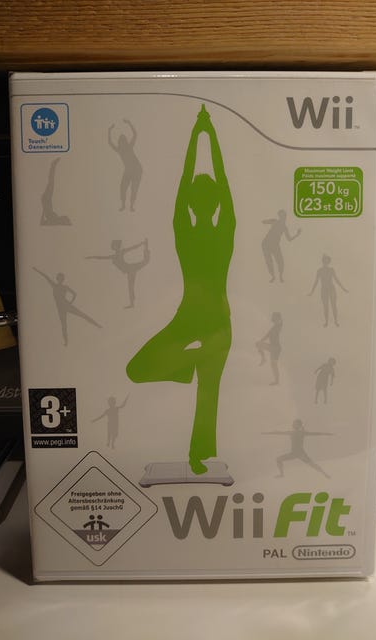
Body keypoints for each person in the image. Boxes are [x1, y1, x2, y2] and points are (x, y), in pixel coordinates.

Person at [127, 105, 235, 476]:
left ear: (191, 204)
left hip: (202, 318)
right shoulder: (222, 230)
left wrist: (198, 135)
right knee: (201, 389)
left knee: (203, 391)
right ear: (216, 204)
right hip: (208, 320)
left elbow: (188, 182)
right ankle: (193, 363)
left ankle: (197, 456)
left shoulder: (186, 230)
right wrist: (208, 134)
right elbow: (221, 180)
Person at [33, 268, 101, 346]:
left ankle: (97, 325)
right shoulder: (57, 286)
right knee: (65, 324)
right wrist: (37, 270)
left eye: (61, 278)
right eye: (60, 278)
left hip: (65, 306)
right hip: (62, 307)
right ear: (58, 279)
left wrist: (71, 302)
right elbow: (46, 277)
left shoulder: (59, 286)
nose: (60, 280)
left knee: (80, 315)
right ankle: (66, 342)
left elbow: (74, 294)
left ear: (61, 279)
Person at [86, 239, 150, 308]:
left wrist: (141, 243)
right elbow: (101, 258)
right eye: (115, 246)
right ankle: (132, 303)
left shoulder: (121, 252)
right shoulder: (113, 256)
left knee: (131, 285)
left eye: (117, 246)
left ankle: (132, 303)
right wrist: (92, 257)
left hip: (130, 269)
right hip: (129, 269)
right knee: (131, 286)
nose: (117, 247)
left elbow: (133, 247)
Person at [264, 419, 332, 479]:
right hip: (296, 453)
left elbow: (315, 433)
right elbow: (279, 432)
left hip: (299, 454)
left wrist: (327, 434)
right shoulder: (298, 432)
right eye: (293, 423)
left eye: (295, 424)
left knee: (313, 465)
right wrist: (267, 433)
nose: (293, 425)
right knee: (313, 465)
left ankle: (325, 474)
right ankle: (325, 474)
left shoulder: (298, 432)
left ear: (297, 425)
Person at [108, 119, 143, 212]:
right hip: (128, 170)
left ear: (125, 142)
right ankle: (123, 205)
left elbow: (135, 134)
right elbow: (110, 143)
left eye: (123, 141)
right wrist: (109, 130)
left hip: (137, 170)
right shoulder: (120, 150)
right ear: (120, 143)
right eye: (121, 142)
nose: (122, 143)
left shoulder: (129, 147)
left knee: (134, 188)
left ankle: (131, 205)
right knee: (123, 187)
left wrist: (129, 123)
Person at [308, 254, 348, 327]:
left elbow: (336, 280)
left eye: (327, 261)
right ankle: (326, 322)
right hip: (324, 290)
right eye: (324, 260)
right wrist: (311, 292)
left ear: (328, 261)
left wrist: (343, 288)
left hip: (331, 289)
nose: (326, 262)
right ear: (323, 261)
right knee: (325, 306)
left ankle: (336, 321)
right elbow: (316, 282)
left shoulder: (331, 270)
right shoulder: (319, 271)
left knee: (334, 305)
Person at [261, 210, 300, 282]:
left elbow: (289, 239)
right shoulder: (275, 221)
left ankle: (280, 276)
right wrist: (269, 221)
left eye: (285, 216)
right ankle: (273, 276)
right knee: (269, 261)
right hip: (266, 244)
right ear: (280, 216)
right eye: (282, 216)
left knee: (280, 261)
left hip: (275, 245)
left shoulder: (284, 227)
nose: (284, 218)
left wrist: (297, 234)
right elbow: (263, 222)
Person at [256, 311, 282, 385]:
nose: (274, 319)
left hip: (275, 348)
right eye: (274, 318)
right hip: (274, 348)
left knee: (274, 365)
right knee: (273, 365)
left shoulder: (278, 326)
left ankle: (277, 381)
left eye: (275, 318)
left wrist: (260, 342)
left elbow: (280, 323)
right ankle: (276, 381)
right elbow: (267, 335)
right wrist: (261, 341)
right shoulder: (273, 328)